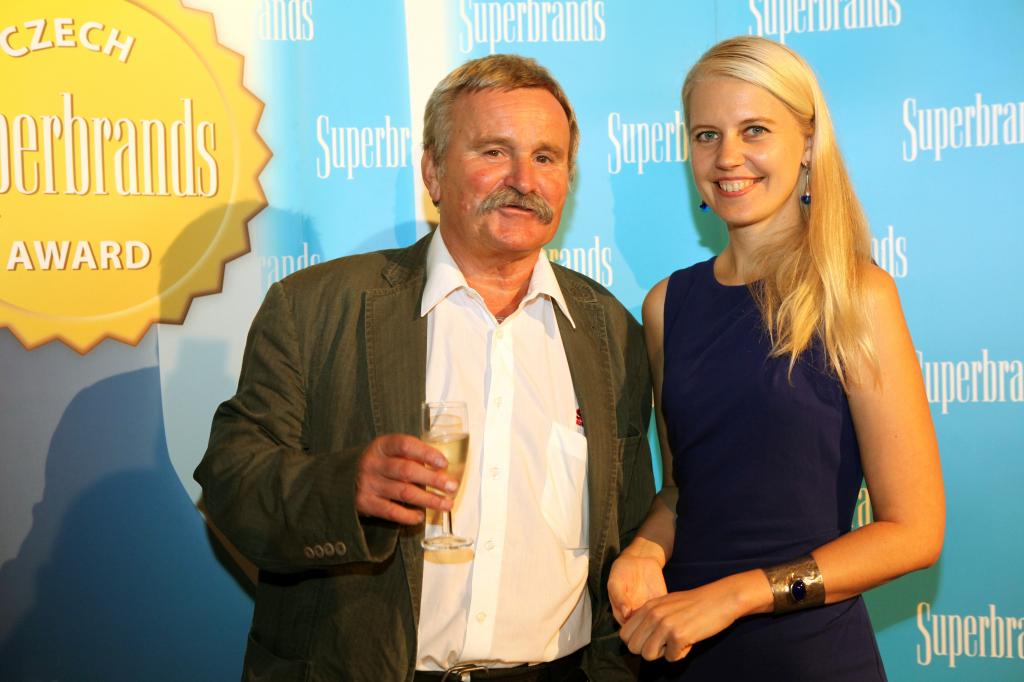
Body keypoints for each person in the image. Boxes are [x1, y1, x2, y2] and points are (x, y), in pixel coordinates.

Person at [195, 54, 654, 681]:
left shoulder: (612, 333)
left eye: (546, 157)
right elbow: (231, 480)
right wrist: (345, 488)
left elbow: (627, 532)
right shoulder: (312, 308)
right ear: (433, 172)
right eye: (493, 152)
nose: (523, 179)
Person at [607, 36, 944, 680]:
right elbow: (683, 489)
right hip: (681, 652)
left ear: (808, 144)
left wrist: (737, 596)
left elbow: (914, 532)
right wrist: (646, 550)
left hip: (811, 656)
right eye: (706, 135)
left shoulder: (855, 294)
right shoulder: (667, 305)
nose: (727, 156)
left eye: (754, 130)